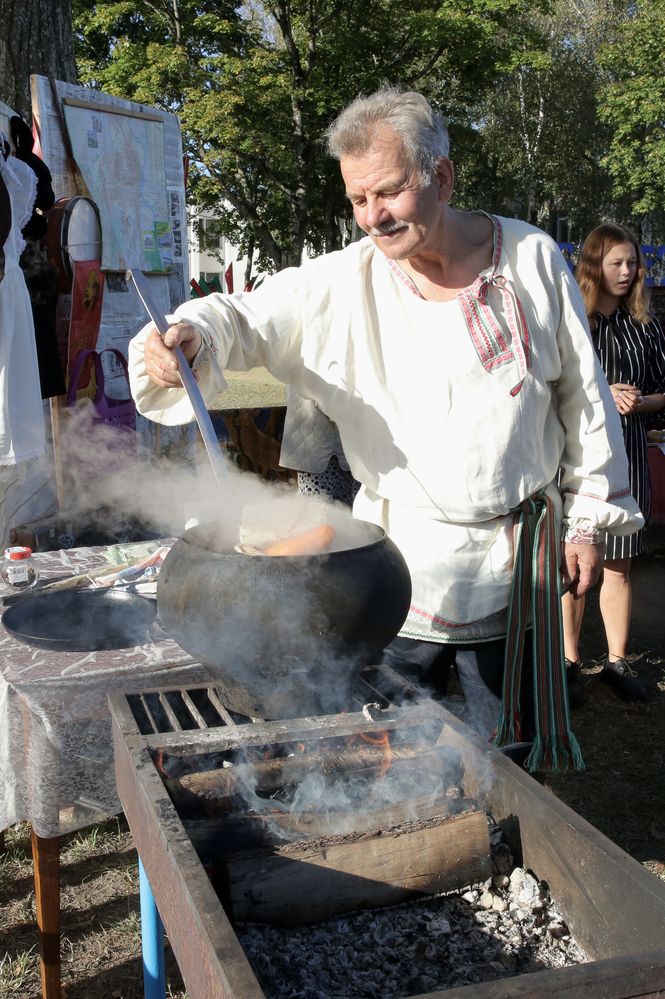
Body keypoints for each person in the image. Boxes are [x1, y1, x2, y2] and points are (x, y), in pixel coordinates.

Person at [128, 87, 643, 772]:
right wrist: (191, 335)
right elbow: (244, 315)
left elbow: (584, 401)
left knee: (507, 761)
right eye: (357, 199)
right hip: (395, 576)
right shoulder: (344, 283)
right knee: (398, 756)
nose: (372, 216)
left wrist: (585, 518)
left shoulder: (530, 258)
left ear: (443, 176)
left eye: (389, 193)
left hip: (517, 563)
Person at [562, 223, 665, 703]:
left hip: (630, 457)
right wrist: (604, 394)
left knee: (620, 567)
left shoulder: (645, 326)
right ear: (593, 266)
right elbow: (554, 386)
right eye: (616, 263)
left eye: (632, 263)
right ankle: (569, 663)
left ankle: (618, 661)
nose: (626, 272)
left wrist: (640, 403)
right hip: (581, 459)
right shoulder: (573, 323)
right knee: (577, 568)